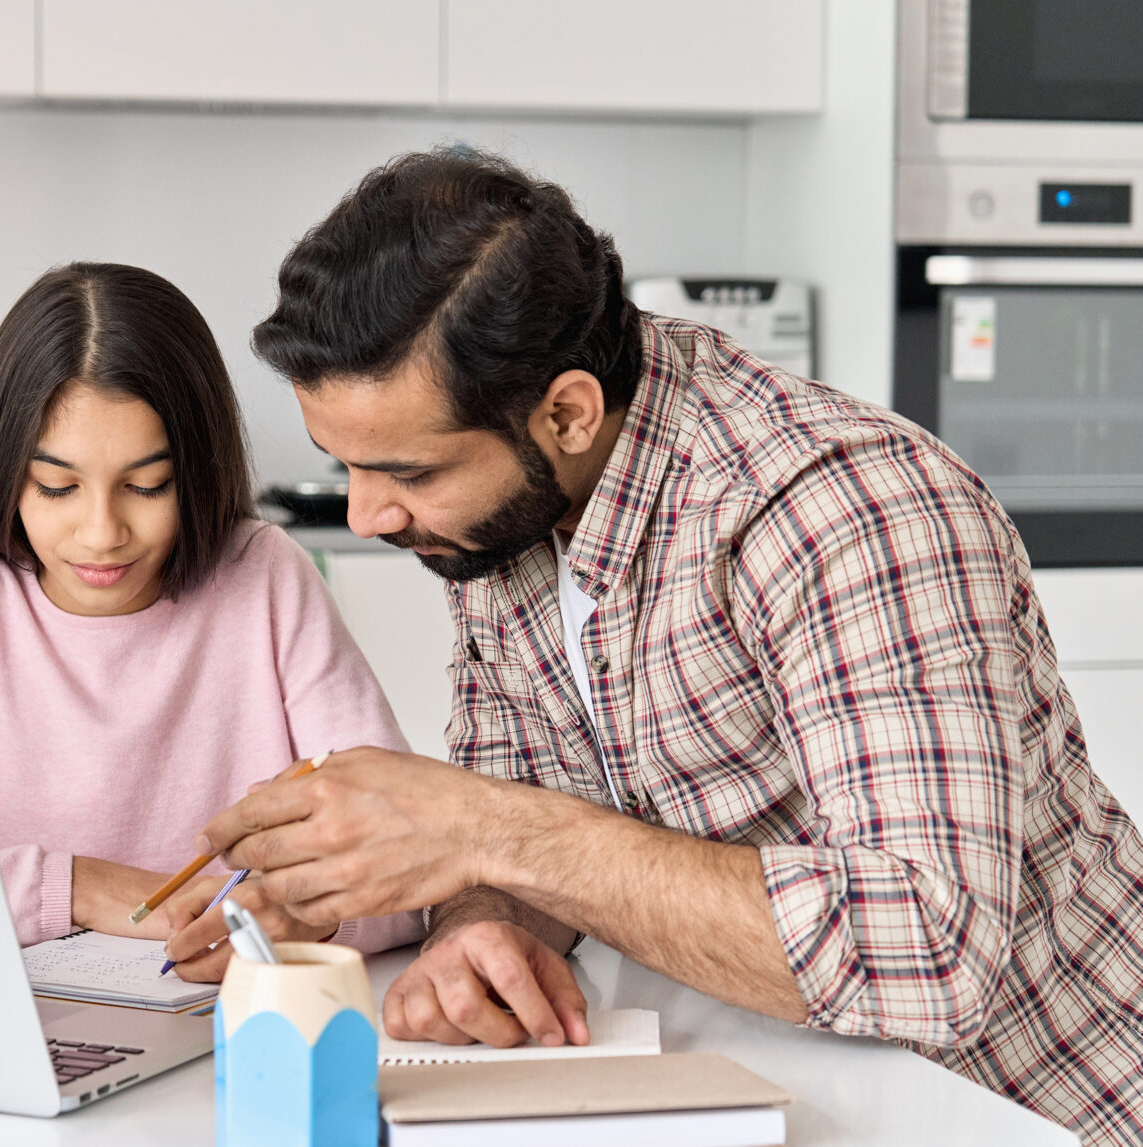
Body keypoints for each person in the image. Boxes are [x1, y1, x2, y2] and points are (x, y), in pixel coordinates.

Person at [171, 150, 1143, 1143]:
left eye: (404, 471)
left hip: (1029, 1106)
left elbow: (927, 952)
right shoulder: (506, 514)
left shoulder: (845, 508)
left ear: (568, 411)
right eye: (346, 466)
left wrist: (480, 828)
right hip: (771, 1087)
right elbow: (532, 810)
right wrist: (484, 934)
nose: (368, 512)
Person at [0, 262, 422, 978]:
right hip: (14, 1027)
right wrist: (74, 888)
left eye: (146, 485)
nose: (101, 533)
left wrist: (309, 912)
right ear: (5, 474)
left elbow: (408, 860)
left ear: (196, 470)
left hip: (228, 1020)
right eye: (57, 486)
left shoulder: (265, 576)